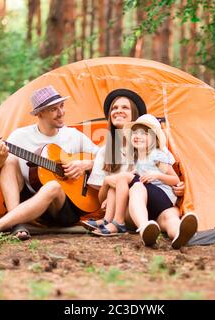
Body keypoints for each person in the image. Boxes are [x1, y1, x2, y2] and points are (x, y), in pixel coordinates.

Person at [0, 85, 99, 241]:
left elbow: (107, 158)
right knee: (9, 160)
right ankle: (17, 224)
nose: (61, 112)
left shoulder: (73, 135)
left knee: (53, 186)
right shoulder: (20, 136)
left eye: (62, 106)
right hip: (30, 202)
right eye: (53, 109)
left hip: (66, 209)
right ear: (39, 113)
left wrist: (86, 164)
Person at [84, 89, 197, 249]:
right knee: (136, 187)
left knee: (170, 216)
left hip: (157, 201)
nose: (118, 111)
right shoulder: (106, 151)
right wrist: (109, 181)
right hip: (127, 210)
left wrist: (180, 187)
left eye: (125, 107)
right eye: (114, 108)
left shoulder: (155, 150)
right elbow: (101, 199)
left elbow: (174, 178)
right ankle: (142, 227)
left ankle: (178, 233)